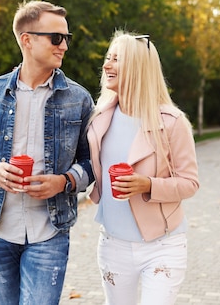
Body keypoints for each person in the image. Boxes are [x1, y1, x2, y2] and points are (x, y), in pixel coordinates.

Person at [0, 0, 94, 305]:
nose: (64, 47)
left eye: (66, 39)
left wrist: (64, 181)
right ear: (26, 40)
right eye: (56, 38)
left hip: (50, 231)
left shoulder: (79, 99)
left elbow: (92, 161)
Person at [86, 31, 200, 305]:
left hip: (163, 246)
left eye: (117, 59)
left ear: (138, 67)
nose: (107, 65)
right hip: (113, 244)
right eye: (108, 58)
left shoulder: (173, 122)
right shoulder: (99, 117)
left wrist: (147, 185)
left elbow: (190, 182)